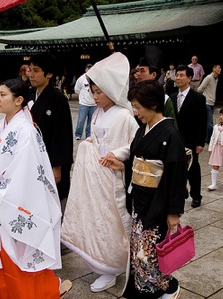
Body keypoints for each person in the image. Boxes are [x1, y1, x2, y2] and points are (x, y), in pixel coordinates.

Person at [0, 78, 71, 299]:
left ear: (18, 100)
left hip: (11, 202)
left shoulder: (26, 131)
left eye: (3, 94)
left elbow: (23, 172)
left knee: (17, 255)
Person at [101, 79, 187, 299]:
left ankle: (165, 288)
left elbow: (176, 176)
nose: (135, 112)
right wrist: (122, 166)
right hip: (140, 200)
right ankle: (150, 289)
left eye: (138, 107)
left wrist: (173, 212)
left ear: (154, 105)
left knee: (150, 253)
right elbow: (135, 161)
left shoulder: (170, 135)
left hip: (158, 202)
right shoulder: (143, 130)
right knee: (140, 252)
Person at [61, 52, 139, 293]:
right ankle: (99, 261)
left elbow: (135, 144)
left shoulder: (126, 115)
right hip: (95, 174)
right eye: (92, 92)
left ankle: (112, 266)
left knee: (110, 221)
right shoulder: (96, 113)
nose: (94, 97)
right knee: (95, 219)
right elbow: (94, 139)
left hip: (111, 175)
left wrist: (118, 154)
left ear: (111, 91)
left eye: (99, 92)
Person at [28, 53, 74, 208]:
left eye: (36, 70)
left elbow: (62, 135)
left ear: (48, 74)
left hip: (51, 158)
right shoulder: (29, 95)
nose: (31, 74)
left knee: (52, 202)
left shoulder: (58, 99)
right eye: (30, 70)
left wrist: (57, 167)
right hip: (33, 157)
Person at [171, 65, 207, 208]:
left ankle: (196, 196)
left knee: (193, 168)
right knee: (175, 167)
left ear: (190, 78)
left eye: (181, 75)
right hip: (175, 140)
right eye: (177, 75)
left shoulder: (198, 98)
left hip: (191, 140)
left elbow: (202, 121)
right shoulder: (172, 98)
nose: (178, 78)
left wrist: (200, 142)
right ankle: (181, 191)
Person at [135, 57, 177, 128]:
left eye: (142, 71)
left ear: (153, 75)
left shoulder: (164, 99)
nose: (138, 74)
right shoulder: (133, 97)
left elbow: (172, 128)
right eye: (137, 71)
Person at [197, 63, 222, 143]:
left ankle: (206, 137)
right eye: (218, 68)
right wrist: (203, 97)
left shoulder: (216, 78)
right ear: (214, 69)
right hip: (207, 102)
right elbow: (199, 89)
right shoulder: (208, 77)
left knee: (207, 121)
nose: (220, 70)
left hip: (212, 102)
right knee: (210, 123)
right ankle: (209, 139)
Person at [74, 63, 97, 140]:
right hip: (84, 103)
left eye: (91, 68)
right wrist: (82, 97)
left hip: (94, 104)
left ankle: (88, 135)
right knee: (81, 120)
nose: (89, 69)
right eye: (88, 68)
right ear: (85, 69)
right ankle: (78, 134)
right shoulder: (81, 79)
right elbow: (76, 90)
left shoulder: (96, 78)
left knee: (91, 121)